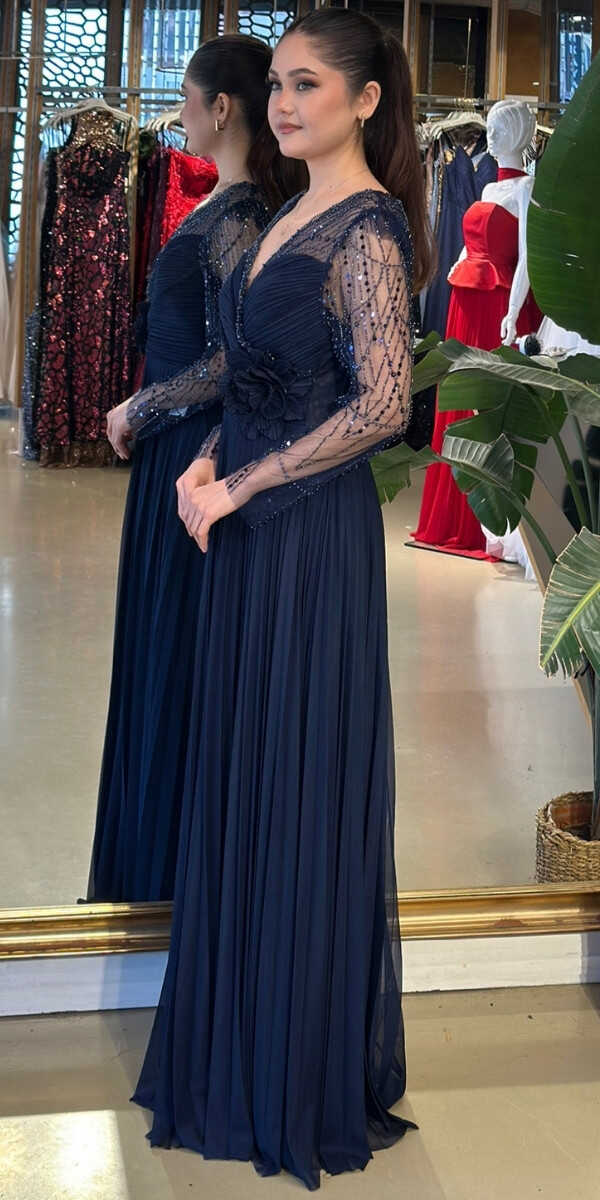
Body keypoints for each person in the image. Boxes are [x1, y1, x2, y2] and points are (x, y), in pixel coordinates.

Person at [132, 9, 435, 1189]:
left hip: (306, 541)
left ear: (365, 100)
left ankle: (287, 1066)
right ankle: (237, 1041)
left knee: (294, 775)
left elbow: (384, 406)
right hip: (246, 528)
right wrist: (210, 455)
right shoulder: (286, 214)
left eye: (308, 85)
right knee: (244, 773)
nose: (285, 104)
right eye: (278, 86)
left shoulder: (366, 227)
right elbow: (261, 377)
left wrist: (245, 480)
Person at [86, 34, 304, 903]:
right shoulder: (226, 205)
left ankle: (166, 877)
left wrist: (140, 407)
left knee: (176, 653)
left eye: (185, 96)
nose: (177, 113)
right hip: (175, 447)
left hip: (191, 450)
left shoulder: (242, 217)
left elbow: (233, 357)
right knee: (162, 649)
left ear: (220, 107)